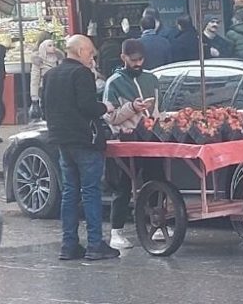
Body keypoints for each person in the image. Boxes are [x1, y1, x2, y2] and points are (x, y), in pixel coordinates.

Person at [43, 35, 118, 261]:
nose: (92, 57)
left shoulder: (51, 75)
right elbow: (87, 106)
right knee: (91, 191)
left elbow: (45, 107)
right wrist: (104, 106)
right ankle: (95, 244)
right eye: (90, 53)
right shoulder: (81, 73)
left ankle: (69, 245)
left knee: (70, 192)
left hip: (62, 140)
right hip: (85, 140)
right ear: (80, 51)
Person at [103, 39, 160, 250]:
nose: (137, 63)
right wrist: (132, 108)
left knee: (156, 180)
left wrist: (157, 121)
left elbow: (158, 110)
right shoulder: (114, 83)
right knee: (123, 186)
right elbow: (110, 117)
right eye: (133, 60)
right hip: (125, 140)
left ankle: (157, 223)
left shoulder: (152, 79)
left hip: (151, 139)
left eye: (140, 59)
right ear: (123, 58)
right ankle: (116, 232)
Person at [30, 37, 64, 117]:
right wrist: (34, 97)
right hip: (44, 87)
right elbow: (35, 79)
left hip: (57, 87)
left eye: (54, 45)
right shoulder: (38, 61)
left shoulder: (59, 59)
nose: (53, 47)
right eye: (50, 45)